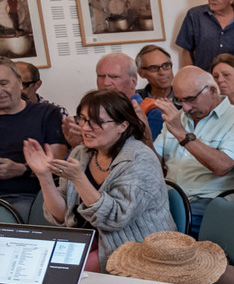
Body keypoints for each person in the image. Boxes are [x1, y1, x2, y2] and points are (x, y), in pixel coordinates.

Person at [26, 89, 173, 265]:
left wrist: (80, 180)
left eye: (96, 122)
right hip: (89, 241)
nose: (85, 128)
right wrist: (44, 177)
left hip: (135, 248)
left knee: (62, 275)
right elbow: (61, 215)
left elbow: (114, 219)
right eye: (83, 119)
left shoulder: (141, 159)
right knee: (35, 264)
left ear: (122, 126)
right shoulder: (80, 153)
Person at [150, 66, 234, 234]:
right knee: (131, 216)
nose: (185, 108)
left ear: (213, 91)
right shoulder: (179, 118)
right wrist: (143, 134)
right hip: (173, 197)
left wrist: (182, 134)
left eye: (190, 99)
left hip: (215, 200)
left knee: (164, 224)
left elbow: (222, 166)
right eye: (179, 100)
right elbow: (153, 164)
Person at [0, 59, 65, 209]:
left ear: (20, 82)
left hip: (32, 196)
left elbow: (58, 163)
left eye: (4, 84)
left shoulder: (47, 113)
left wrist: (21, 169)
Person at [135, 45, 175, 140]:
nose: (162, 72)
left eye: (166, 66)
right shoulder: (135, 102)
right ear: (141, 73)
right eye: (153, 68)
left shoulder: (189, 99)